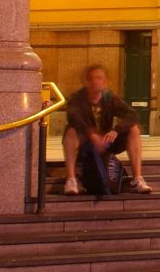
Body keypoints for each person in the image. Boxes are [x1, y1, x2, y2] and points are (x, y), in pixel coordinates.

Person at [62, 64, 152, 195]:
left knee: (134, 129)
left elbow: (132, 115)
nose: (95, 81)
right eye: (92, 78)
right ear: (86, 81)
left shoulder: (109, 98)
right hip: (84, 144)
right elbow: (73, 117)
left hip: (105, 142)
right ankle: (71, 180)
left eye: (99, 78)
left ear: (105, 82)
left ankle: (137, 179)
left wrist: (116, 130)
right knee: (71, 131)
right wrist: (91, 134)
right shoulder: (77, 98)